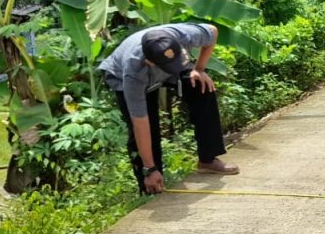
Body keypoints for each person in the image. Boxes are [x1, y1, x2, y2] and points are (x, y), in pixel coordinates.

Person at [98, 23, 239, 195]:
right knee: (146, 129)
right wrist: (149, 168)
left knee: (201, 87)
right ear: (150, 62)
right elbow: (140, 123)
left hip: (166, 68)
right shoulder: (133, 71)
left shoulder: (183, 35)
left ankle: (207, 160)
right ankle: (150, 184)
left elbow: (213, 31)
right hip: (126, 77)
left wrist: (199, 69)